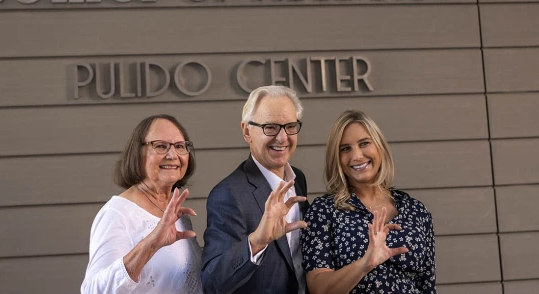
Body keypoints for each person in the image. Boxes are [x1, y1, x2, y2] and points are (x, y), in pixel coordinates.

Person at [301, 110, 436, 294]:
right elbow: (319, 288)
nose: (357, 156)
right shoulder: (324, 210)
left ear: (379, 146)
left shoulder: (416, 210)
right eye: (345, 149)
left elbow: (427, 285)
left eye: (364, 143)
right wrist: (365, 263)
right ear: (337, 158)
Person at [201, 85, 309, 294]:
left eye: (290, 126)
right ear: (247, 131)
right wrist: (258, 240)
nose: (282, 138)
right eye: (270, 127)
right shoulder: (228, 194)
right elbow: (212, 281)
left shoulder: (298, 178)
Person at [81, 114, 203, 294]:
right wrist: (151, 244)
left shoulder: (175, 210)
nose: (172, 155)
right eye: (160, 146)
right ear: (137, 153)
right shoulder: (117, 214)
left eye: (179, 146)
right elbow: (93, 291)